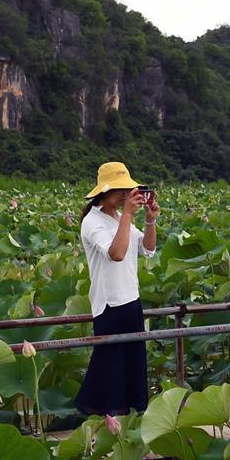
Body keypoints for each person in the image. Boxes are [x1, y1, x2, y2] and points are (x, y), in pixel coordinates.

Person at [75, 162, 160, 416]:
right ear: (103, 191)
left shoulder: (117, 217)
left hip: (131, 301)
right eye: (119, 190)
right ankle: (101, 420)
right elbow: (117, 253)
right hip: (109, 304)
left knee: (132, 367)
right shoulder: (93, 221)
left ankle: (124, 422)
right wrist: (127, 215)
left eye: (128, 189)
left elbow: (147, 249)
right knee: (110, 370)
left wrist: (149, 221)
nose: (125, 195)